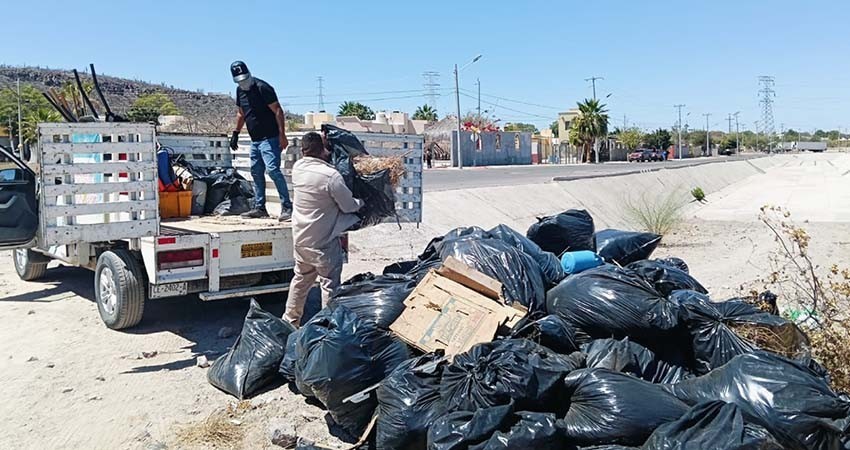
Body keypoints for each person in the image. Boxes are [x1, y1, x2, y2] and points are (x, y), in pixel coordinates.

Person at [283, 131, 364, 326]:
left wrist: (322, 143)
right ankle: (327, 327)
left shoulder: (298, 168)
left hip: (302, 240)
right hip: (324, 243)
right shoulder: (331, 176)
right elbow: (348, 206)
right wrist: (361, 202)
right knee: (329, 285)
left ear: (303, 151)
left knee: (301, 280)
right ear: (323, 150)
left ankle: (288, 322)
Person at [228, 61, 293, 221]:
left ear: (249, 74)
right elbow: (241, 113)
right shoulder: (240, 91)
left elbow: (278, 110)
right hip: (255, 140)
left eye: (245, 79)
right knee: (256, 172)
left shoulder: (263, 87)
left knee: (272, 170)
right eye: (240, 81)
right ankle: (260, 207)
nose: (243, 83)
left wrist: (282, 134)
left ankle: (287, 207)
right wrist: (236, 132)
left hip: (270, 138)